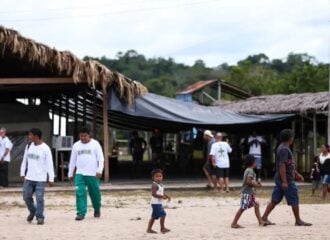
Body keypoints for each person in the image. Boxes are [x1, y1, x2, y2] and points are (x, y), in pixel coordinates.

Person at [261, 129, 312, 226]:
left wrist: (296, 173)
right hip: (286, 179)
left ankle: (264, 217)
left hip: (282, 178)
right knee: (294, 197)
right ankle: (298, 220)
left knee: (275, 199)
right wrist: (285, 181)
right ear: (290, 138)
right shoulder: (284, 149)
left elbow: (289, 165)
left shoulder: (284, 147)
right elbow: (282, 165)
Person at [68, 126, 104, 221]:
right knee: (80, 193)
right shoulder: (76, 145)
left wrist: (99, 170)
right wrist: (70, 173)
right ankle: (81, 213)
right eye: (81, 136)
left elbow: (101, 159)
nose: (83, 138)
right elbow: (72, 160)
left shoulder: (95, 144)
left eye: (85, 136)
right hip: (80, 174)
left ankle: (97, 208)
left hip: (93, 174)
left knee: (95, 193)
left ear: (89, 135)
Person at [20, 128, 54, 225]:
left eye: (30, 135)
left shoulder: (45, 148)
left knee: (39, 198)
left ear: (36, 136)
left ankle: (40, 217)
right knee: (26, 197)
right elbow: (24, 160)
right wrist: (22, 173)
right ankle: (33, 211)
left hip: (40, 179)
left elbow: (49, 164)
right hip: (29, 178)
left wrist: (51, 178)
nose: (29, 137)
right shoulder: (29, 146)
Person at [231, 155, 266, 228]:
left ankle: (260, 222)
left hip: (250, 193)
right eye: (255, 161)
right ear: (253, 162)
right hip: (247, 193)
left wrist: (256, 184)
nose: (256, 163)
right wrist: (257, 185)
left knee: (256, 205)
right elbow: (248, 181)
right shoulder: (250, 170)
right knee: (242, 208)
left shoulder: (248, 170)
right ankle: (234, 223)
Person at [146, 169, 171, 234]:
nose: (159, 178)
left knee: (154, 217)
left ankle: (149, 229)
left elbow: (162, 192)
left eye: (160, 176)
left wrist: (167, 196)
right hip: (155, 203)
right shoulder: (154, 185)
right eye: (156, 176)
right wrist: (162, 196)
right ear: (153, 178)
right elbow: (153, 194)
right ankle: (162, 228)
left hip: (158, 203)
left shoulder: (161, 185)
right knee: (163, 214)